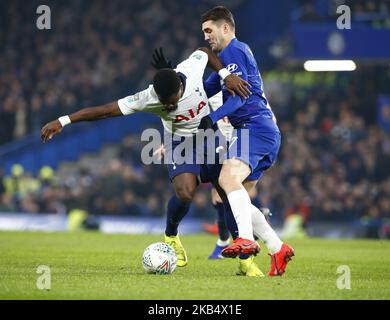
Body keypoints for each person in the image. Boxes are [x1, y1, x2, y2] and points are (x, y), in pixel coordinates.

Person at [41, 47, 251, 268]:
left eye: (172, 101)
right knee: (186, 193)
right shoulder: (149, 97)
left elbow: (204, 51)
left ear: (180, 87)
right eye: (165, 103)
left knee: (226, 193)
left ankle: (245, 259)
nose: (169, 106)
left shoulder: (191, 69)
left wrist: (225, 75)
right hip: (179, 141)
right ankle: (171, 235)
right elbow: (105, 110)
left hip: (209, 135)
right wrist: (63, 121)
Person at [199, 6, 294, 276]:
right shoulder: (224, 59)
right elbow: (207, 88)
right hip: (257, 130)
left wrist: (213, 116)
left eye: (209, 30)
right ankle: (278, 248)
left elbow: (240, 95)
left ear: (225, 28)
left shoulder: (235, 50)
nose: (206, 36)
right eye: (204, 32)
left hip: (254, 127)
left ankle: (245, 240)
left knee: (227, 179)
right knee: (235, 197)